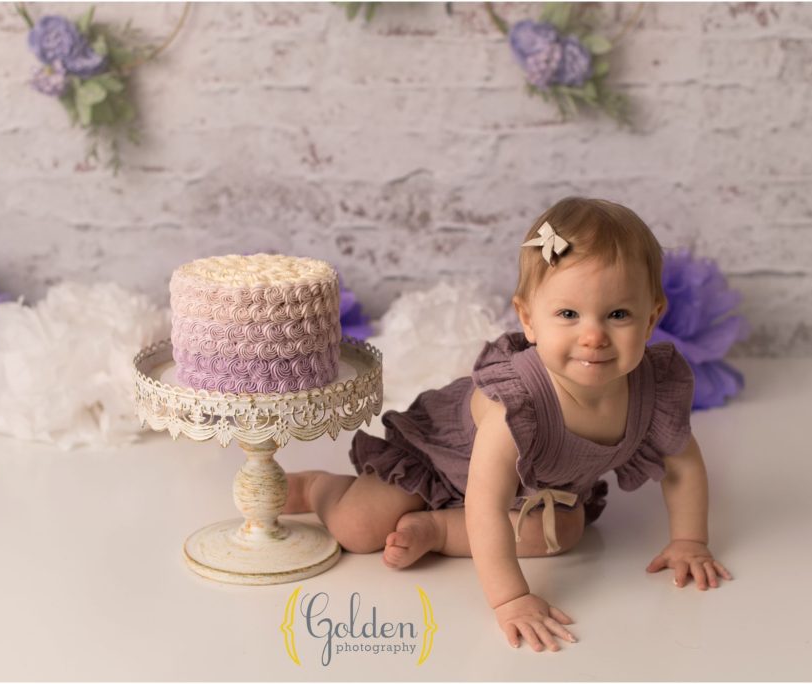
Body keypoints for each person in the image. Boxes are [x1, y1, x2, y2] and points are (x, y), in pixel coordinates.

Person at [284, 197, 733, 652]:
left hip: (533, 495)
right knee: (358, 529)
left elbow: (683, 468)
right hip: (439, 460)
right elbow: (486, 500)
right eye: (568, 314)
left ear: (652, 317)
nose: (593, 336)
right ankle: (316, 488)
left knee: (565, 532)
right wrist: (511, 598)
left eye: (618, 314)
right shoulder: (519, 403)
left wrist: (690, 541)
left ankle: (438, 530)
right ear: (528, 319)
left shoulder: (652, 392)